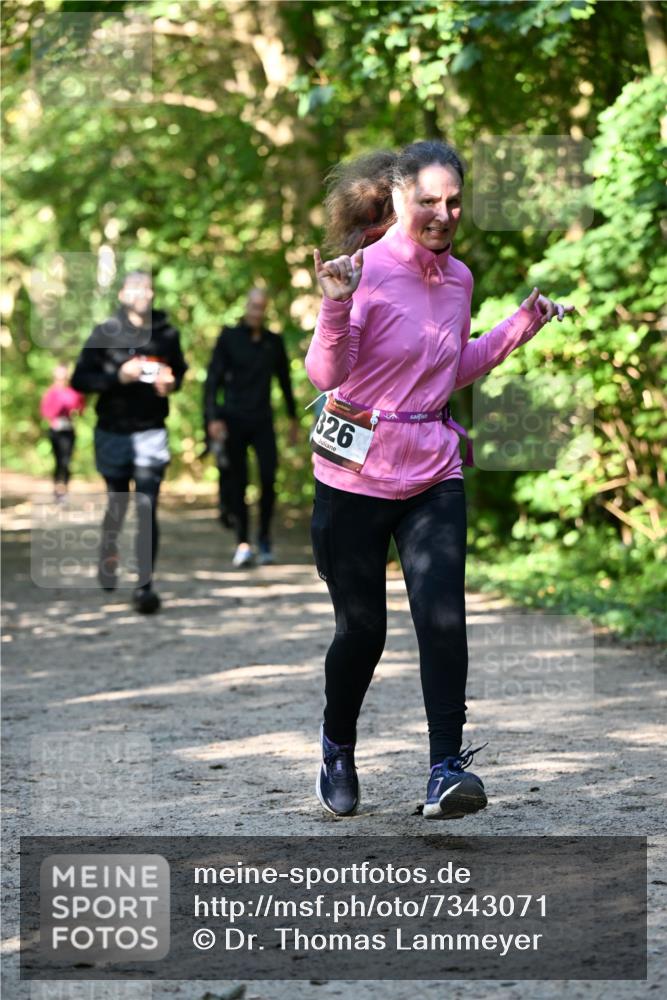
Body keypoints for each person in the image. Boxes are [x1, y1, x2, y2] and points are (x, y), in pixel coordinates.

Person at [305, 141, 575, 819]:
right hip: (354, 473)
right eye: (428, 201)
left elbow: (448, 369)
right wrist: (335, 304)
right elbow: (324, 375)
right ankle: (337, 747)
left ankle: (445, 769)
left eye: (453, 202)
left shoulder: (458, 279)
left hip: (431, 465)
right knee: (361, 632)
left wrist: (524, 321)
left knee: (443, 616)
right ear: (397, 197)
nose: (442, 213)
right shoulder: (358, 271)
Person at [71, 270, 188, 613]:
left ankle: (144, 586)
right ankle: (108, 552)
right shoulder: (104, 333)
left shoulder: (166, 334)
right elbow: (80, 379)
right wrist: (117, 377)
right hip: (113, 433)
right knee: (118, 504)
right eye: (135, 289)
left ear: (152, 294)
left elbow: (178, 372)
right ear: (123, 295)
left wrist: (171, 383)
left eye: (147, 289)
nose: (142, 295)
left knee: (147, 507)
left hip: (152, 431)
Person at [204, 287, 299, 567]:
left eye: (262, 307)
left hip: (262, 420)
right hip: (233, 418)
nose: (257, 312)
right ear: (246, 307)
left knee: (269, 478)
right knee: (238, 481)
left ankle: (265, 537)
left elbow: (284, 381)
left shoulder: (273, 342)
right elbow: (212, 382)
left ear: (265, 309)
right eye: (253, 306)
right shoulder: (229, 338)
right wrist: (212, 418)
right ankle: (243, 541)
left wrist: (293, 418)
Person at [39, 363, 86, 501]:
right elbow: (46, 412)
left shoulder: (73, 392)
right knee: (58, 461)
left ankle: (64, 489)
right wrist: (58, 410)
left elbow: (81, 407)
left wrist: (75, 412)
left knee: (66, 461)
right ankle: (56, 489)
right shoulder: (51, 393)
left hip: (69, 431)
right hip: (55, 431)